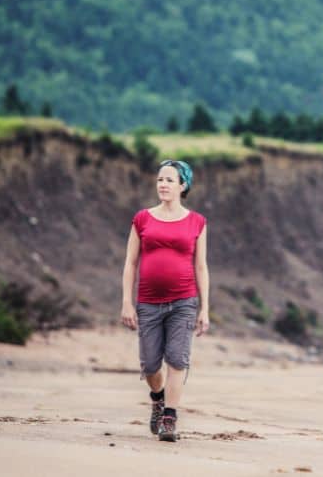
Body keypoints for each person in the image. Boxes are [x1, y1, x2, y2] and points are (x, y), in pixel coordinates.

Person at [120, 159, 210, 442]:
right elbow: (130, 262)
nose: (163, 184)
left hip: (184, 302)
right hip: (147, 302)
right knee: (149, 364)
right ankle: (157, 398)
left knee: (177, 360)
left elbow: (201, 267)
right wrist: (127, 301)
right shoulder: (142, 219)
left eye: (170, 180)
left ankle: (169, 417)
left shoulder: (197, 222)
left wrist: (205, 308)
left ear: (183, 185)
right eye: (160, 179)